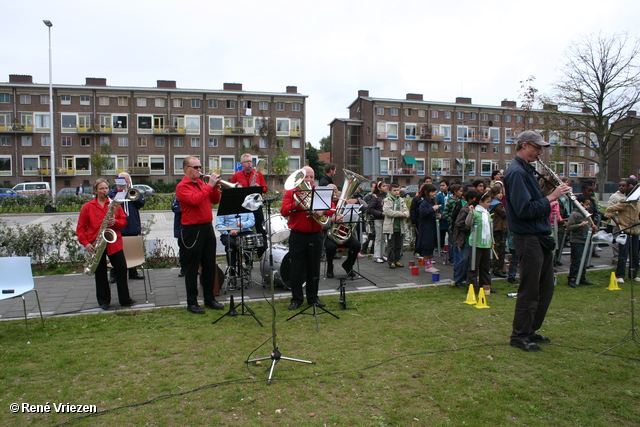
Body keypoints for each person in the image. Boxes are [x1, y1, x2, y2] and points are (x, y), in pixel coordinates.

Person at [504, 130, 571, 352]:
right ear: (523, 145)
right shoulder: (515, 172)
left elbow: (534, 200)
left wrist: (548, 188)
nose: (540, 152)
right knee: (530, 289)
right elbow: (524, 210)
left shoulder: (527, 170)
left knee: (545, 288)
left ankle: (530, 329)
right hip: (528, 237)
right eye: (536, 147)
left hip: (540, 236)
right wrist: (553, 196)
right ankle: (519, 336)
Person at [76, 178, 136, 310]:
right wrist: (86, 243)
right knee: (100, 273)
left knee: (121, 269)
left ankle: (125, 299)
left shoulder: (114, 204)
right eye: (102, 189)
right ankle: (104, 301)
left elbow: (123, 221)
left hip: (113, 241)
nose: (105, 191)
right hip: (97, 243)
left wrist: (116, 222)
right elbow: (80, 228)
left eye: (106, 188)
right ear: (95, 191)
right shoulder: (88, 207)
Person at [176, 156, 225, 314]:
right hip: (192, 230)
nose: (199, 169)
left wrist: (215, 187)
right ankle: (192, 302)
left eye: (199, 166)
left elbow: (215, 201)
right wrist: (209, 185)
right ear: (186, 169)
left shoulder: (201, 184)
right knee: (192, 268)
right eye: (195, 167)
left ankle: (209, 298)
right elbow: (195, 200)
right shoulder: (182, 186)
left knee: (209, 265)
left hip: (207, 228)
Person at [281, 166, 331, 310]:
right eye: (306, 177)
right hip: (298, 236)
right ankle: (296, 299)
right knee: (296, 269)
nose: (308, 179)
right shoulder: (292, 192)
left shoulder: (319, 191)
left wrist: (322, 211)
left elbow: (332, 208)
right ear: (300, 178)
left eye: (311, 176)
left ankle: (313, 298)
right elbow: (284, 211)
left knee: (314, 269)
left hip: (316, 235)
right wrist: (297, 202)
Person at [108, 172, 146, 282]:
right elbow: (109, 204)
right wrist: (118, 194)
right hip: (118, 226)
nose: (125, 182)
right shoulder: (112, 193)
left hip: (132, 225)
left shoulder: (133, 192)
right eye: (122, 180)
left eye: (127, 180)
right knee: (116, 250)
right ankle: (114, 273)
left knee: (132, 250)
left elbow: (141, 203)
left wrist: (131, 193)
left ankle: (133, 272)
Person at [230, 153, 268, 258]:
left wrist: (259, 187)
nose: (249, 163)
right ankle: (245, 255)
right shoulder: (236, 176)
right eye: (247, 161)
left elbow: (265, 189)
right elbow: (231, 190)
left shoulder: (258, 174)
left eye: (251, 161)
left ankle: (263, 254)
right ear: (242, 163)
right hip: (243, 206)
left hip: (256, 205)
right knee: (243, 229)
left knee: (261, 228)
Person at [605, 178, 640, 284]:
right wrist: (617, 221)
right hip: (625, 231)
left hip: (635, 231)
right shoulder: (624, 204)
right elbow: (608, 210)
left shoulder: (638, 204)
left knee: (635, 255)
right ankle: (620, 275)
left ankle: (633, 275)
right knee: (623, 255)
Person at [325, 184, 361, 278]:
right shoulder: (324, 204)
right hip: (330, 236)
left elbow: (365, 206)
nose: (334, 193)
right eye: (331, 191)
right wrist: (332, 220)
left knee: (357, 245)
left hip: (345, 234)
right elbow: (320, 224)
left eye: (335, 190)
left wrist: (356, 200)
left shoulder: (345, 202)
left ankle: (348, 265)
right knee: (330, 247)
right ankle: (329, 266)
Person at [466, 191, 494, 294]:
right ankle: (472, 288)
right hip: (476, 244)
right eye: (487, 202)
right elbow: (468, 223)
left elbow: (490, 229)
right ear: (480, 202)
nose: (489, 204)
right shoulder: (475, 212)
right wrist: (470, 213)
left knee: (485, 267)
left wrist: (492, 241)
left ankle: (485, 287)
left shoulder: (487, 213)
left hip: (486, 243)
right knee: (473, 266)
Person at [566, 195, 597, 288]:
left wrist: (594, 228)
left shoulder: (586, 214)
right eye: (586, 204)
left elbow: (591, 226)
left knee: (584, 260)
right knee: (577, 260)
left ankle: (582, 277)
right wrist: (579, 225)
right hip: (577, 240)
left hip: (586, 240)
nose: (588, 206)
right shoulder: (575, 214)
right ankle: (572, 278)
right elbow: (569, 227)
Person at [215, 212, 255, 277]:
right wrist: (229, 230)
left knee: (249, 240)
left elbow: (252, 221)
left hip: (245, 231)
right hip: (229, 232)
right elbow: (218, 225)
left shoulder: (246, 206)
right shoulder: (223, 208)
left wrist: (243, 224)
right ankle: (232, 271)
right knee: (230, 244)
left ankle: (249, 265)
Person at [452, 190, 478, 288]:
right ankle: (458, 280)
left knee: (470, 260)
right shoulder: (465, 209)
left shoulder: (477, 209)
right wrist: (470, 227)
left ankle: (467, 279)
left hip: (474, 239)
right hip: (465, 239)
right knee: (463, 260)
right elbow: (458, 223)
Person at [383, 183, 409, 269]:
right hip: (391, 227)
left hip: (399, 226)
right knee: (391, 245)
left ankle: (397, 259)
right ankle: (391, 261)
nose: (396, 192)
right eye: (394, 190)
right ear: (390, 191)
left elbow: (406, 210)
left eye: (398, 190)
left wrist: (405, 214)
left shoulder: (401, 200)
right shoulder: (387, 200)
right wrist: (399, 214)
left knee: (399, 245)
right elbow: (388, 211)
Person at [415, 183, 440, 273]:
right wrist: (433, 209)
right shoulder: (423, 202)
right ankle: (428, 266)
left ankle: (430, 264)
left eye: (435, 192)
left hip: (431, 227)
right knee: (426, 247)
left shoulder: (431, 201)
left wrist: (437, 214)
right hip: (426, 228)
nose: (434, 194)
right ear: (426, 192)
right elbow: (423, 213)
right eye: (432, 192)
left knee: (431, 247)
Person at [367, 181, 388, 263]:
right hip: (378, 219)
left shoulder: (386, 196)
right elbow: (370, 209)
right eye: (383, 186)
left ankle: (383, 254)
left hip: (385, 219)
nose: (385, 187)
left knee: (384, 238)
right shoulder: (375, 197)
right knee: (378, 238)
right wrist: (380, 213)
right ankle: (377, 255)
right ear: (379, 188)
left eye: (385, 186)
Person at [489, 185, 507, 278]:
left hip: (495, 228)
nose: (501, 195)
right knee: (500, 250)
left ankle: (498, 268)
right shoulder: (497, 205)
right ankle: (497, 269)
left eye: (502, 193)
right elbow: (504, 214)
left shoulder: (491, 203)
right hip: (498, 228)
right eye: (498, 193)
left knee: (498, 249)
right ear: (493, 194)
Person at [360, 181, 377, 255]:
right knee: (371, 233)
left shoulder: (377, 196)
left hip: (376, 216)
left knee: (376, 233)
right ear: (370, 188)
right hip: (369, 217)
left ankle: (373, 248)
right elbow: (364, 207)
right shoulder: (367, 196)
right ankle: (365, 245)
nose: (374, 189)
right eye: (373, 187)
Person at [436, 179, 451, 257]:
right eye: (440, 185)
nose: (441, 187)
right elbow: (436, 205)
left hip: (449, 218)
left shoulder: (451, 194)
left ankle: (450, 250)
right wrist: (438, 214)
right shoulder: (439, 195)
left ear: (448, 186)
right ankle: (440, 249)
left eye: (443, 185)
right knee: (441, 234)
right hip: (441, 218)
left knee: (450, 235)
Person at [171, 197, 185, 277]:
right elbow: (176, 209)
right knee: (183, 250)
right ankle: (183, 268)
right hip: (181, 228)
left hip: (192, 228)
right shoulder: (177, 199)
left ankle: (195, 268)